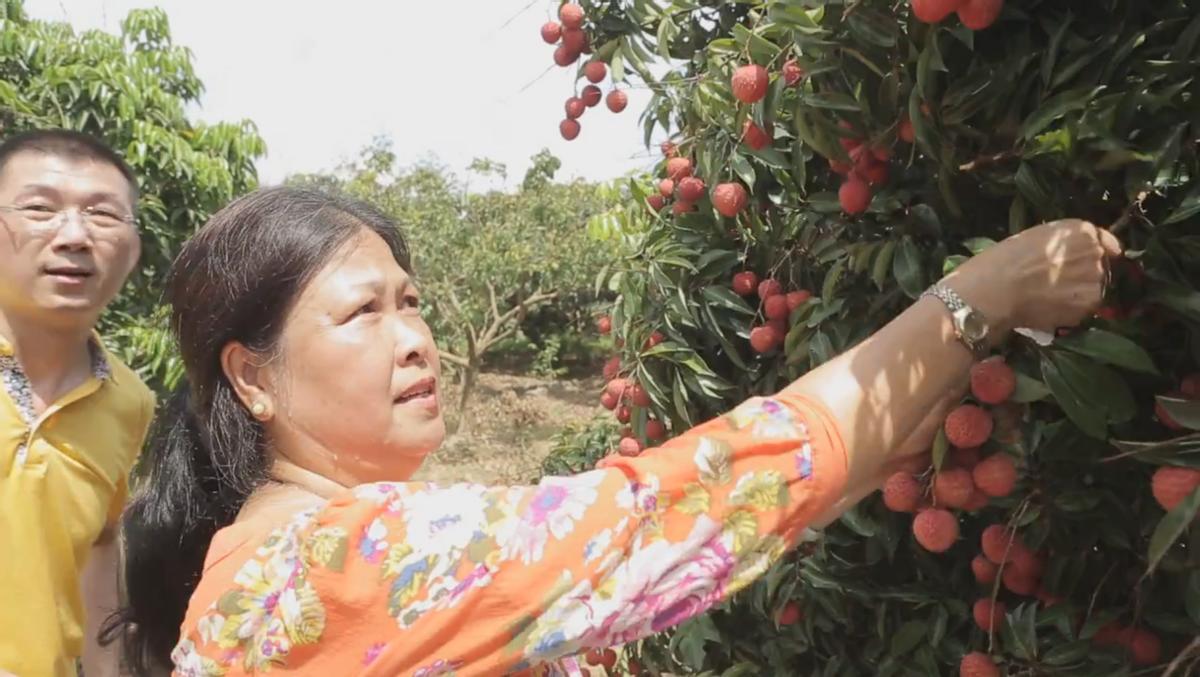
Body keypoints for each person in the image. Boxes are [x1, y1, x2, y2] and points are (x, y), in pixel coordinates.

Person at [106, 186, 1119, 676]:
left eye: (412, 300)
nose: (413, 337)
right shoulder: (347, 563)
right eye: (362, 312)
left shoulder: (263, 558)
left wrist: (901, 412)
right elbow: (693, 505)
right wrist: (976, 298)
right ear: (253, 377)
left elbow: (706, 524)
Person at [0, 130, 155, 677]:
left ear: (131, 250)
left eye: (104, 216)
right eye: (40, 208)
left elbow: (101, 544)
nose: (74, 235)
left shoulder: (130, 402)